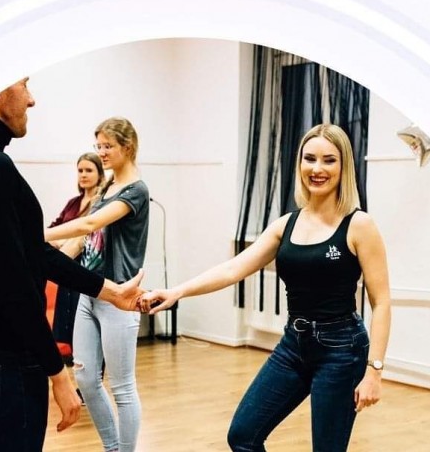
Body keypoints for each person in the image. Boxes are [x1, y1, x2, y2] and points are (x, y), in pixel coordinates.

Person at [141, 123, 391, 452]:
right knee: (243, 435)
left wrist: (374, 371)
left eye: (329, 160)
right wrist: (177, 292)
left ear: (343, 166)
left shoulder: (359, 225)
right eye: (309, 158)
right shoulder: (286, 224)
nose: (317, 169)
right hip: (294, 345)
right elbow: (233, 268)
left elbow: (381, 301)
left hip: (342, 349)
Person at [0, 78, 145, 452]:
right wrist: (57, 372)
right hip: (0, 358)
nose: (31, 100)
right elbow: (13, 282)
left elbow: (31, 251)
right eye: (24, 85)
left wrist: (109, 291)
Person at [44, 117, 149, 452]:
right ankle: (112, 447)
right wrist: (45, 262)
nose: (101, 152)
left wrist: (35, 235)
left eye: (108, 146)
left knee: (122, 387)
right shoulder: (107, 187)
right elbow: (83, 240)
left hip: (119, 297)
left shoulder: (136, 191)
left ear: (127, 147)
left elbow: (88, 223)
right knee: (87, 380)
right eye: (98, 146)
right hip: (90, 293)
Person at [48, 152, 107, 348]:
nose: (83, 174)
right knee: (68, 323)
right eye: (80, 170)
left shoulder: (101, 202)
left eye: (89, 170)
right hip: (66, 265)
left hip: (86, 265)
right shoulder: (74, 202)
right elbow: (55, 226)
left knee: (84, 322)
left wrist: (61, 242)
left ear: (99, 174)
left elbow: (89, 232)